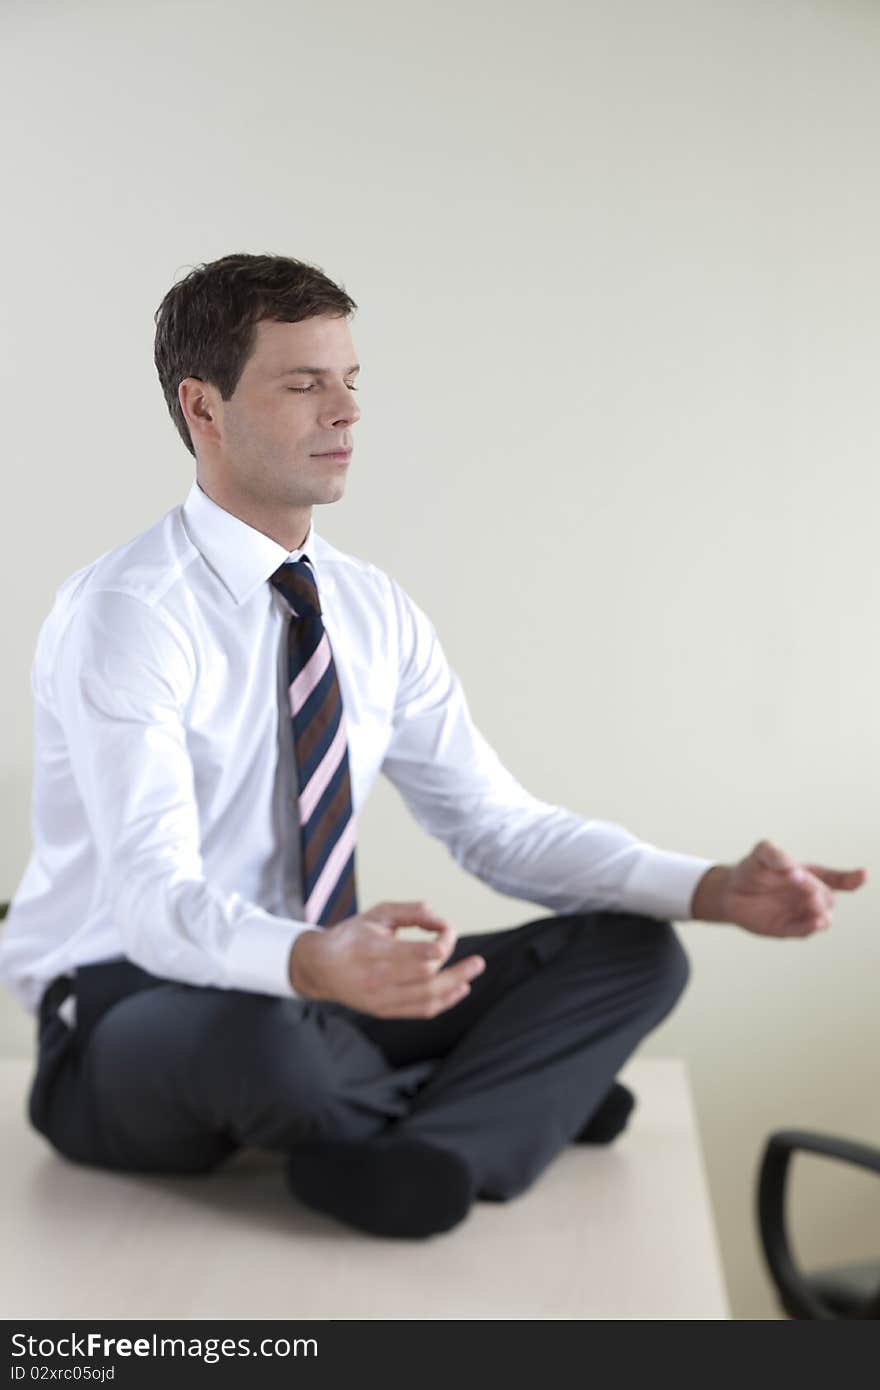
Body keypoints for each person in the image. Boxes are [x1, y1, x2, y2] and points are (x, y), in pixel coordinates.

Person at [0, 253, 867, 1240]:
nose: (347, 413)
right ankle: (499, 1105)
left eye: (351, 382)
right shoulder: (129, 615)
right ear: (203, 407)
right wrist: (316, 962)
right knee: (268, 1048)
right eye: (304, 383)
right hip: (132, 1009)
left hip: (322, 987)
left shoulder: (371, 611)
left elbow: (495, 827)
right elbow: (153, 908)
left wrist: (709, 886)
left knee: (635, 950)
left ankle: (429, 1150)